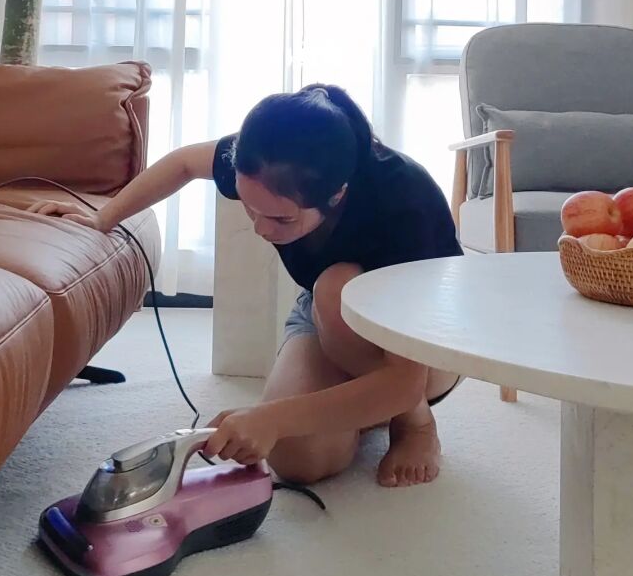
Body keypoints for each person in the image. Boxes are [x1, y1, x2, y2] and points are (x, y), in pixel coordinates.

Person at [33, 85, 462, 488]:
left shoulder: (405, 204)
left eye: (281, 219)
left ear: (337, 195)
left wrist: (271, 418)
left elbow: (404, 381)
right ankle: (361, 406)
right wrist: (102, 218)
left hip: (425, 340)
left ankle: (415, 422)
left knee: (337, 289)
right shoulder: (267, 158)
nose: (261, 229)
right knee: (300, 461)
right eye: (250, 207)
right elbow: (184, 163)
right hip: (327, 317)